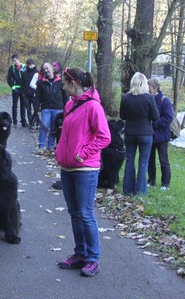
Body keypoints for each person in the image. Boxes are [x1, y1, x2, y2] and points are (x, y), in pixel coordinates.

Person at [55, 67, 111, 277]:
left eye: (64, 83)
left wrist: (82, 153)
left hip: (85, 168)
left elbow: (104, 137)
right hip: (67, 167)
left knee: (86, 213)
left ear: (74, 83)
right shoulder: (70, 104)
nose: (62, 86)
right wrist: (60, 151)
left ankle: (93, 258)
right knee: (74, 213)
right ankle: (80, 254)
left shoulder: (93, 107)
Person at [119, 72, 159, 195]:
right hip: (145, 133)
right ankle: (140, 191)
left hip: (130, 133)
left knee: (129, 160)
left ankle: (128, 190)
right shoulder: (149, 98)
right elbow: (155, 116)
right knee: (143, 163)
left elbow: (122, 116)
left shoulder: (126, 97)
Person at [147, 78, 174, 190]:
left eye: (149, 86)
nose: (147, 88)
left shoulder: (165, 100)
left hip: (162, 136)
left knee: (163, 160)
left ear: (155, 88)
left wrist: (155, 124)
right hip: (150, 134)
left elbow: (169, 117)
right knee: (150, 160)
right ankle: (151, 180)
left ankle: (165, 184)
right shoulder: (147, 99)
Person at [35, 62, 67, 155]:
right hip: (46, 108)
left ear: (52, 68)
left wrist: (66, 109)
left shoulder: (60, 82)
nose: (46, 70)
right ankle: (41, 146)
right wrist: (37, 110)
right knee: (44, 126)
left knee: (54, 128)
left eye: (47, 68)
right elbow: (37, 98)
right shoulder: (40, 82)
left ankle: (50, 146)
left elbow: (65, 97)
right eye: (44, 69)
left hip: (58, 108)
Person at [7, 54, 27, 127]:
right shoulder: (11, 68)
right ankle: (15, 121)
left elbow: (27, 77)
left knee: (23, 105)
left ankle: (23, 121)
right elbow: (9, 79)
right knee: (15, 105)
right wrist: (13, 86)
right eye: (13, 61)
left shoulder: (24, 67)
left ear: (18, 59)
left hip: (23, 89)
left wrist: (26, 87)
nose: (14, 62)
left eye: (15, 60)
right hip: (15, 88)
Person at [21, 59, 38, 129]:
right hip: (26, 94)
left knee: (36, 109)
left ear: (33, 64)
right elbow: (22, 84)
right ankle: (31, 123)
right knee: (28, 110)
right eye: (29, 64)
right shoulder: (24, 73)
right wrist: (23, 93)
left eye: (31, 64)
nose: (30, 66)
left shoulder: (37, 73)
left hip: (35, 94)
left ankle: (34, 122)